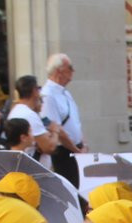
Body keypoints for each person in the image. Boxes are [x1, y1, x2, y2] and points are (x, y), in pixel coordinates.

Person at [41, 54, 86, 187]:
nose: (73, 71)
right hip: (64, 152)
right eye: (70, 68)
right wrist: (76, 151)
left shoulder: (65, 92)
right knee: (71, 189)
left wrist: (83, 144)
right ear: (59, 71)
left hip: (76, 149)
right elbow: (56, 129)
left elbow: (74, 121)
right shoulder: (48, 95)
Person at [7, 75, 58, 169]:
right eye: (38, 88)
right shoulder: (29, 115)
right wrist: (55, 131)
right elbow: (49, 147)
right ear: (34, 91)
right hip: (34, 171)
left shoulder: (15, 111)